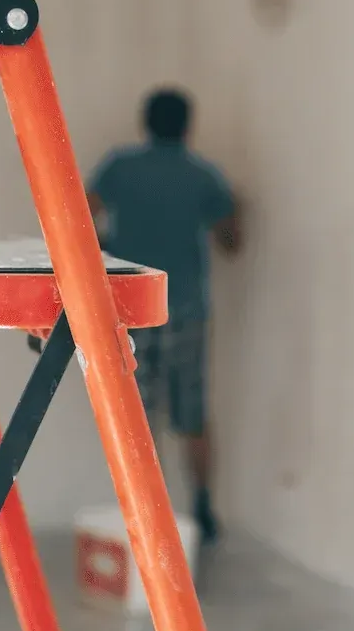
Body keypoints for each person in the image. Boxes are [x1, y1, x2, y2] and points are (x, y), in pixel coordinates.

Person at [88, 87, 241, 545]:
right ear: (187, 126)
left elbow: (79, 213)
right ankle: (202, 505)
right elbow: (232, 242)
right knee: (191, 412)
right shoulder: (203, 175)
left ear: (145, 122)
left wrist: (104, 249)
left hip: (129, 309)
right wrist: (239, 208)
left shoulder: (119, 168)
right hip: (187, 309)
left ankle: (141, 509)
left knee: (135, 412)